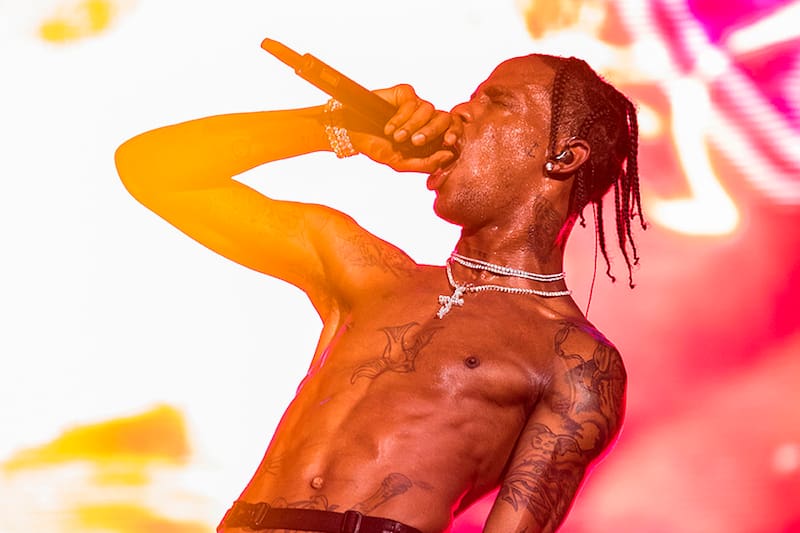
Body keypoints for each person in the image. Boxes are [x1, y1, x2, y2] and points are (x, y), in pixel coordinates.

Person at [115, 51, 644, 533]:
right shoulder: (369, 273)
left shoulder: (575, 358)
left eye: (496, 103)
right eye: (471, 97)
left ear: (564, 155)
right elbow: (154, 170)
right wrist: (338, 127)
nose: (461, 111)